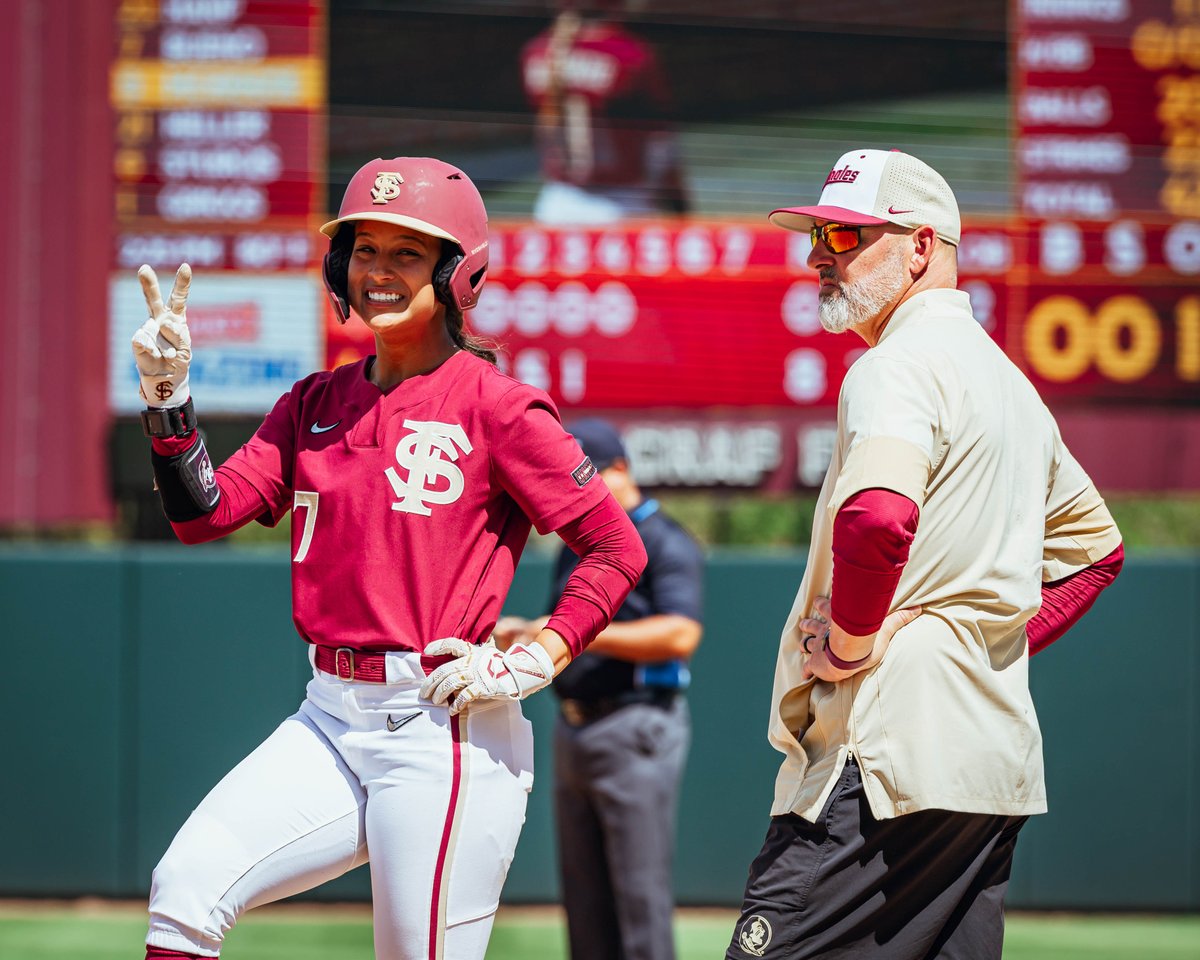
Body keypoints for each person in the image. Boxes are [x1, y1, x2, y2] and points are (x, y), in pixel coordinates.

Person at [128, 156, 648, 960]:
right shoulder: (314, 401)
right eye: (364, 250)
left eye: (407, 253)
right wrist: (169, 406)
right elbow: (204, 514)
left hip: (442, 721)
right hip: (329, 713)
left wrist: (541, 653)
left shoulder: (497, 406)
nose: (378, 271)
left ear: (457, 272)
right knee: (186, 889)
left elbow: (616, 546)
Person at [725, 149, 1125, 960]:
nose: (818, 256)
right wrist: (976, 640)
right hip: (987, 766)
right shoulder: (1010, 382)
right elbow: (1096, 554)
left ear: (919, 247)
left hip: (887, 753)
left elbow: (877, 517)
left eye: (845, 235)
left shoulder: (895, 365)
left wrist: (852, 643)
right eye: (818, 236)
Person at [496, 417, 703, 960]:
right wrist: (530, 630)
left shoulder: (661, 538)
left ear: (620, 469)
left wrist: (578, 631)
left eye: (590, 473)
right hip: (576, 727)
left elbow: (682, 632)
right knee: (584, 903)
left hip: (636, 726)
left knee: (638, 899)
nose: (578, 486)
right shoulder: (577, 539)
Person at [520, 0, 689, 225]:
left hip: (555, 203)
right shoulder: (630, 54)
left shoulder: (537, 51)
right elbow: (660, 142)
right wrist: (678, 204)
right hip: (622, 204)